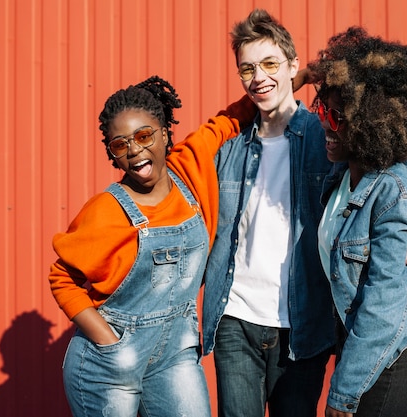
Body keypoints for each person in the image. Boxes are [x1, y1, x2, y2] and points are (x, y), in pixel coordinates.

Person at [201, 9, 407, 417]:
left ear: (293, 65)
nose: (258, 77)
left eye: (270, 63)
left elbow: (388, 166)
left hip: (304, 320)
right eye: (247, 68)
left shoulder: (328, 134)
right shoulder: (228, 147)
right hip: (235, 315)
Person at [47, 75, 254, 417]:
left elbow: (229, 119)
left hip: (176, 355)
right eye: (120, 144)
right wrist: (109, 343)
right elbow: (62, 278)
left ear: (165, 133)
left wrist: (296, 78)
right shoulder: (106, 210)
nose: (135, 151)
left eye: (144, 136)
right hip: (110, 365)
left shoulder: (189, 170)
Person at [308, 27, 407, 417]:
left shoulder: (391, 190)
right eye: (323, 110)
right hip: (363, 348)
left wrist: (342, 393)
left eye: (337, 116)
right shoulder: (342, 175)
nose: (326, 125)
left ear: (372, 124)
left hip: (397, 352)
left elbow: (384, 303)